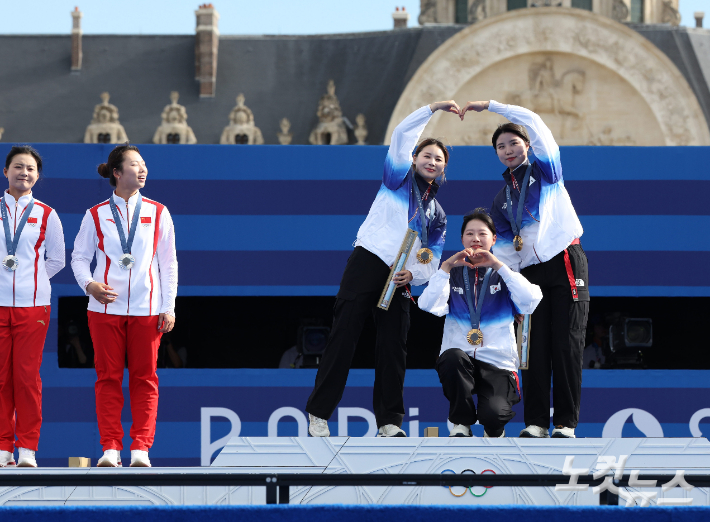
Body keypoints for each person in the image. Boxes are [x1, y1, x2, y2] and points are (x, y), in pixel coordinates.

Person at [305, 101, 460, 437]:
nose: (432, 162)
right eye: (427, 155)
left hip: (399, 278)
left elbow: (431, 258)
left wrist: (414, 275)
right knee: (343, 336)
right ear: (414, 159)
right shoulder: (396, 178)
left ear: (444, 169)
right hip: (368, 261)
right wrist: (433, 108)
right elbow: (403, 133)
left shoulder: (438, 215)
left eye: (439, 159)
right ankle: (318, 414)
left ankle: (389, 422)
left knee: (393, 348)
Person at [460, 100, 589, 438]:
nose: (508, 150)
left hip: (563, 261)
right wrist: (512, 291)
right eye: (500, 147)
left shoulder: (548, 172)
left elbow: (533, 120)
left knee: (566, 343)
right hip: (529, 275)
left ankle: (565, 423)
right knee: (531, 348)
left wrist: (491, 106)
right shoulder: (501, 199)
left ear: (528, 145)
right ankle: (535, 423)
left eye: (514, 143)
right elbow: (504, 252)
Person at [71, 143, 177, 467]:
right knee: (108, 378)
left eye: (144, 164)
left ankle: (141, 448)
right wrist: (89, 285)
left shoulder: (159, 212)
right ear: (117, 173)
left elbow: (168, 263)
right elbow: (78, 258)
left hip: (147, 309)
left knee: (146, 378)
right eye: (135, 164)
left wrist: (168, 305)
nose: (143, 169)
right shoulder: (96, 214)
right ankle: (110, 449)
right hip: (104, 310)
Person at [419, 210, 541, 437]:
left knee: (493, 416)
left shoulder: (505, 274)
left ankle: (493, 429)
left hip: (498, 362)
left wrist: (498, 265)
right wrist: (445, 268)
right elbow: (428, 305)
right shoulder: (452, 275)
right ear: (462, 240)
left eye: (482, 233)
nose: (476, 238)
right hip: (462, 359)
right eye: (469, 233)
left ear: (494, 239)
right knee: (451, 357)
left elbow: (531, 300)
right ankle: (461, 423)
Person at [0, 146, 65, 468]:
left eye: (30, 169)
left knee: (26, 378)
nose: (23, 173)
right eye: (17, 167)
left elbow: (57, 259)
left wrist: (31, 278)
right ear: (5, 172)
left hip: (32, 306)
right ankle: (2, 449)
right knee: (0, 378)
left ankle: (27, 449)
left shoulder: (46, 214)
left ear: (37, 176)